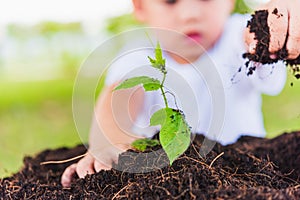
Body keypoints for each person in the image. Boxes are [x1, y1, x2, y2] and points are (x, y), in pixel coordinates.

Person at [61, 0, 300, 187]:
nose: (190, 14)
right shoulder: (136, 55)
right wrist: (109, 141)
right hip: (168, 180)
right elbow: (119, 97)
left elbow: (258, 32)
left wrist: (274, 18)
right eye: (170, 1)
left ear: (229, 1)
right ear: (140, 6)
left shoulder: (236, 39)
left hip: (249, 173)